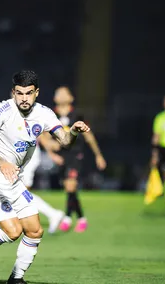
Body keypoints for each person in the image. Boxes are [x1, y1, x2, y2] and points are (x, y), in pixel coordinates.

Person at [0, 70, 90, 283]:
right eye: (19, 93)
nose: (23, 98)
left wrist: (74, 131)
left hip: (12, 179)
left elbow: (65, 141)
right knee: (13, 232)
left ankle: (16, 278)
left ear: (36, 93)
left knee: (34, 230)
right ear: (13, 92)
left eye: (28, 93)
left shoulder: (45, 114)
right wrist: (2, 162)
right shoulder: (0, 111)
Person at [46, 86, 106, 233]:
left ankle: (67, 218)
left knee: (71, 186)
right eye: (58, 93)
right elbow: (44, 137)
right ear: (54, 98)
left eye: (64, 93)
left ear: (71, 98)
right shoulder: (51, 115)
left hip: (75, 155)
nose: (60, 95)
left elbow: (88, 136)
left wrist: (98, 155)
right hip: (61, 156)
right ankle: (80, 218)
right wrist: (51, 153)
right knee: (68, 189)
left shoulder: (77, 115)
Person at [21, 133, 64, 234]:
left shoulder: (30, 119)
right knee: (20, 193)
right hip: (21, 156)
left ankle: (53, 214)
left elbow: (41, 135)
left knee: (21, 193)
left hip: (28, 157)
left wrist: (51, 154)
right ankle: (53, 214)